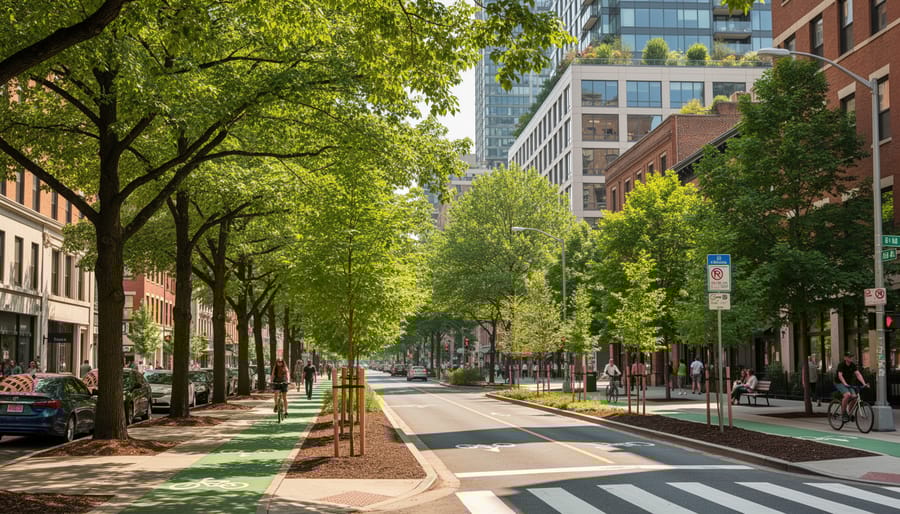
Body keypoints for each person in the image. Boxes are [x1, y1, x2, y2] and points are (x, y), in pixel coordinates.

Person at [836, 352, 868, 422]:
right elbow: (840, 375)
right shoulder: (841, 365)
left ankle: (849, 414)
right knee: (847, 395)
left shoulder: (853, 365)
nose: (851, 358)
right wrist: (844, 383)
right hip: (839, 383)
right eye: (849, 357)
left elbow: (858, 374)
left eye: (851, 357)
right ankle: (843, 413)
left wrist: (864, 383)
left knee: (854, 397)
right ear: (845, 358)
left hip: (848, 383)